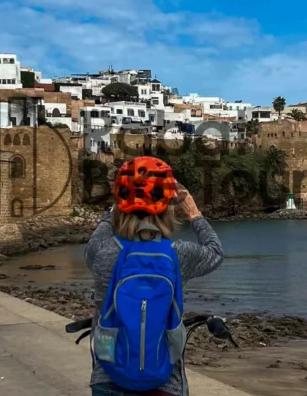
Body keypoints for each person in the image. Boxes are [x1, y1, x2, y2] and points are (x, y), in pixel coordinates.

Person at [85, 156, 224, 396]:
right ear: (168, 206)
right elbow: (215, 252)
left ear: (121, 201)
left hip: (108, 379)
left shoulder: (101, 251)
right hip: (164, 384)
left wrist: (116, 207)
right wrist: (194, 214)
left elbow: (104, 229)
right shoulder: (178, 254)